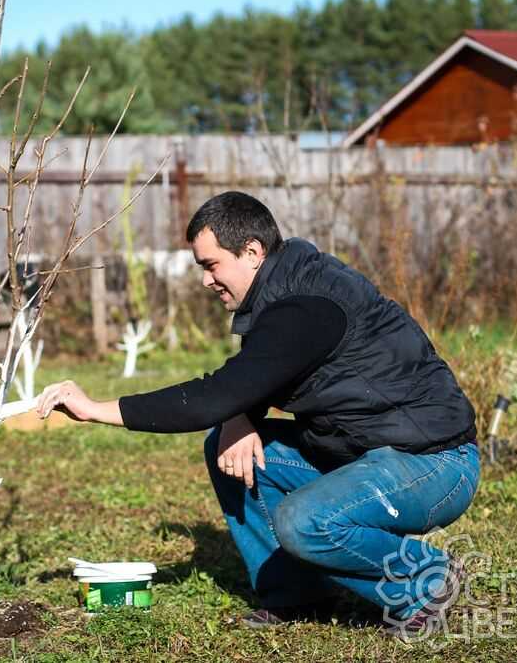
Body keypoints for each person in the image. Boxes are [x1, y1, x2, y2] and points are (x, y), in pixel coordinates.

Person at [37, 190, 479, 640]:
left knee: (304, 521)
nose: (207, 281)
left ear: (252, 251)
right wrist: (237, 417)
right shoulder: (280, 290)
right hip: (364, 453)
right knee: (226, 446)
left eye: (211, 265)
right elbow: (254, 378)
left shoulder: (307, 306)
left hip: (434, 464)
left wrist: (96, 410)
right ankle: (295, 594)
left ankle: (427, 580)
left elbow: (217, 394)